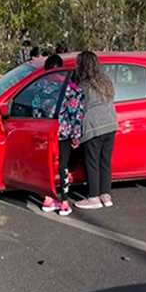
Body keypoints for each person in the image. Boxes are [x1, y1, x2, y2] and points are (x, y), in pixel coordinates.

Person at [39, 55, 85, 217]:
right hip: (64, 133)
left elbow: (36, 110)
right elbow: (76, 116)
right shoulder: (72, 91)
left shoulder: (40, 88)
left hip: (45, 132)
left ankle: (47, 198)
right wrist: (76, 138)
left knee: (47, 164)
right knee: (63, 166)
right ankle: (64, 202)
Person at [74, 51, 118, 210]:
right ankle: (105, 195)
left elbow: (80, 109)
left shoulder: (83, 85)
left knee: (91, 162)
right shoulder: (105, 81)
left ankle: (93, 197)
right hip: (111, 125)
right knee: (105, 161)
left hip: (94, 127)